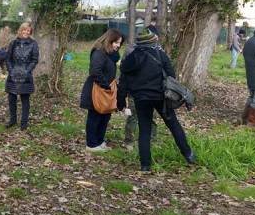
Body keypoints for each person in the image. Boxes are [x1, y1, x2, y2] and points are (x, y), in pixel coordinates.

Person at [117, 28, 196, 172]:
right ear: (153, 41)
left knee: (144, 130)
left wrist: (120, 101)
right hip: (161, 97)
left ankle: (145, 165)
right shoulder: (160, 55)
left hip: (140, 99)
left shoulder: (130, 58)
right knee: (173, 125)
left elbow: (123, 81)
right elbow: (171, 76)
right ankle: (188, 155)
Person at [80, 29, 123, 152]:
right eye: (116, 42)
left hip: (106, 91)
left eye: (120, 43)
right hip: (96, 89)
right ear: (109, 40)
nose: (118, 45)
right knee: (95, 116)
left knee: (105, 116)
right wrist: (106, 86)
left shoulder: (111, 54)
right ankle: (91, 144)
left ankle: (99, 141)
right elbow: (95, 71)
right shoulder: (99, 52)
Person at [123, 25, 159, 149]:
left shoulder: (158, 50)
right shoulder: (131, 50)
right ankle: (129, 141)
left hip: (152, 90)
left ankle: (151, 140)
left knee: (152, 117)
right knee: (133, 116)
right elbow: (124, 70)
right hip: (136, 90)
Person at [4, 22, 39, 130]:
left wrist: (27, 71)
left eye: (28, 30)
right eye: (24, 30)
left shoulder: (33, 44)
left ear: (30, 32)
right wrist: (11, 70)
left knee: (25, 100)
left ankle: (24, 123)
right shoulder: (13, 43)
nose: (26, 32)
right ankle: (13, 120)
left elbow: (34, 60)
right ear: (20, 30)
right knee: (12, 98)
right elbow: (8, 58)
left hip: (26, 75)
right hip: (13, 74)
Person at [242, 22, 255, 126]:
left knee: (252, 97)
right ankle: (251, 123)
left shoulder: (250, 41)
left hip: (251, 76)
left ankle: (244, 119)